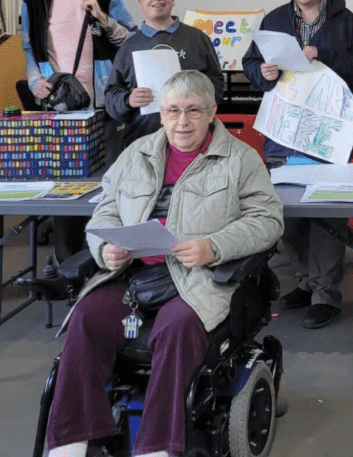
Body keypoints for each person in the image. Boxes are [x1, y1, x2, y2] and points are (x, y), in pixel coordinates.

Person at [45, 70, 284, 457]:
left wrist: (213, 246)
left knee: (176, 327)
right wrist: (104, 250)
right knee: (87, 317)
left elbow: (268, 220)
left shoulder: (240, 159)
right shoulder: (134, 154)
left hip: (199, 277)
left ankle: (157, 447)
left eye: (192, 111)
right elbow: (104, 213)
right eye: (173, 111)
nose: (182, 121)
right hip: (134, 273)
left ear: (211, 112)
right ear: (161, 113)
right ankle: (73, 440)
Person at [242, 0, 353, 329]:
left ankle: (326, 294)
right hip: (284, 132)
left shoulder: (345, 21)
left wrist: (325, 54)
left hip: (328, 133)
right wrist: (261, 72)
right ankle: (305, 280)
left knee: (324, 216)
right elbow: (251, 64)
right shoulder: (275, 19)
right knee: (290, 214)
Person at [20, 0, 137, 261]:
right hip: (60, 106)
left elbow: (129, 39)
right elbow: (29, 48)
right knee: (63, 186)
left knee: (107, 181)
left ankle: (104, 258)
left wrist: (102, 17)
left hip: (103, 101)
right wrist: (33, 81)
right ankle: (67, 260)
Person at [105, 0, 224, 147]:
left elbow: (217, 83)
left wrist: (198, 97)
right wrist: (128, 100)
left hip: (193, 140)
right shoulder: (128, 47)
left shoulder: (197, 38)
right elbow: (111, 98)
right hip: (143, 140)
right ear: (140, 2)